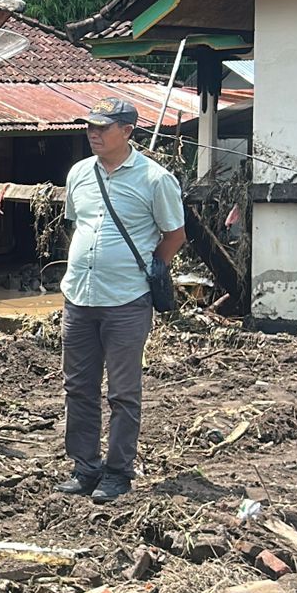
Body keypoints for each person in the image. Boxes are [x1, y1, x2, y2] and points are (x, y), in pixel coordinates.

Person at [57, 98, 185, 503]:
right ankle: (85, 467)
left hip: (127, 299)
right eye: (90, 127)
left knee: (123, 392)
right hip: (79, 296)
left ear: (127, 132)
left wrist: (150, 269)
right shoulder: (79, 173)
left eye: (103, 127)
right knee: (78, 387)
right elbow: (78, 223)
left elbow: (175, 235)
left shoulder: (155, 179)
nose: (93, 134)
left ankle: (118, 472)